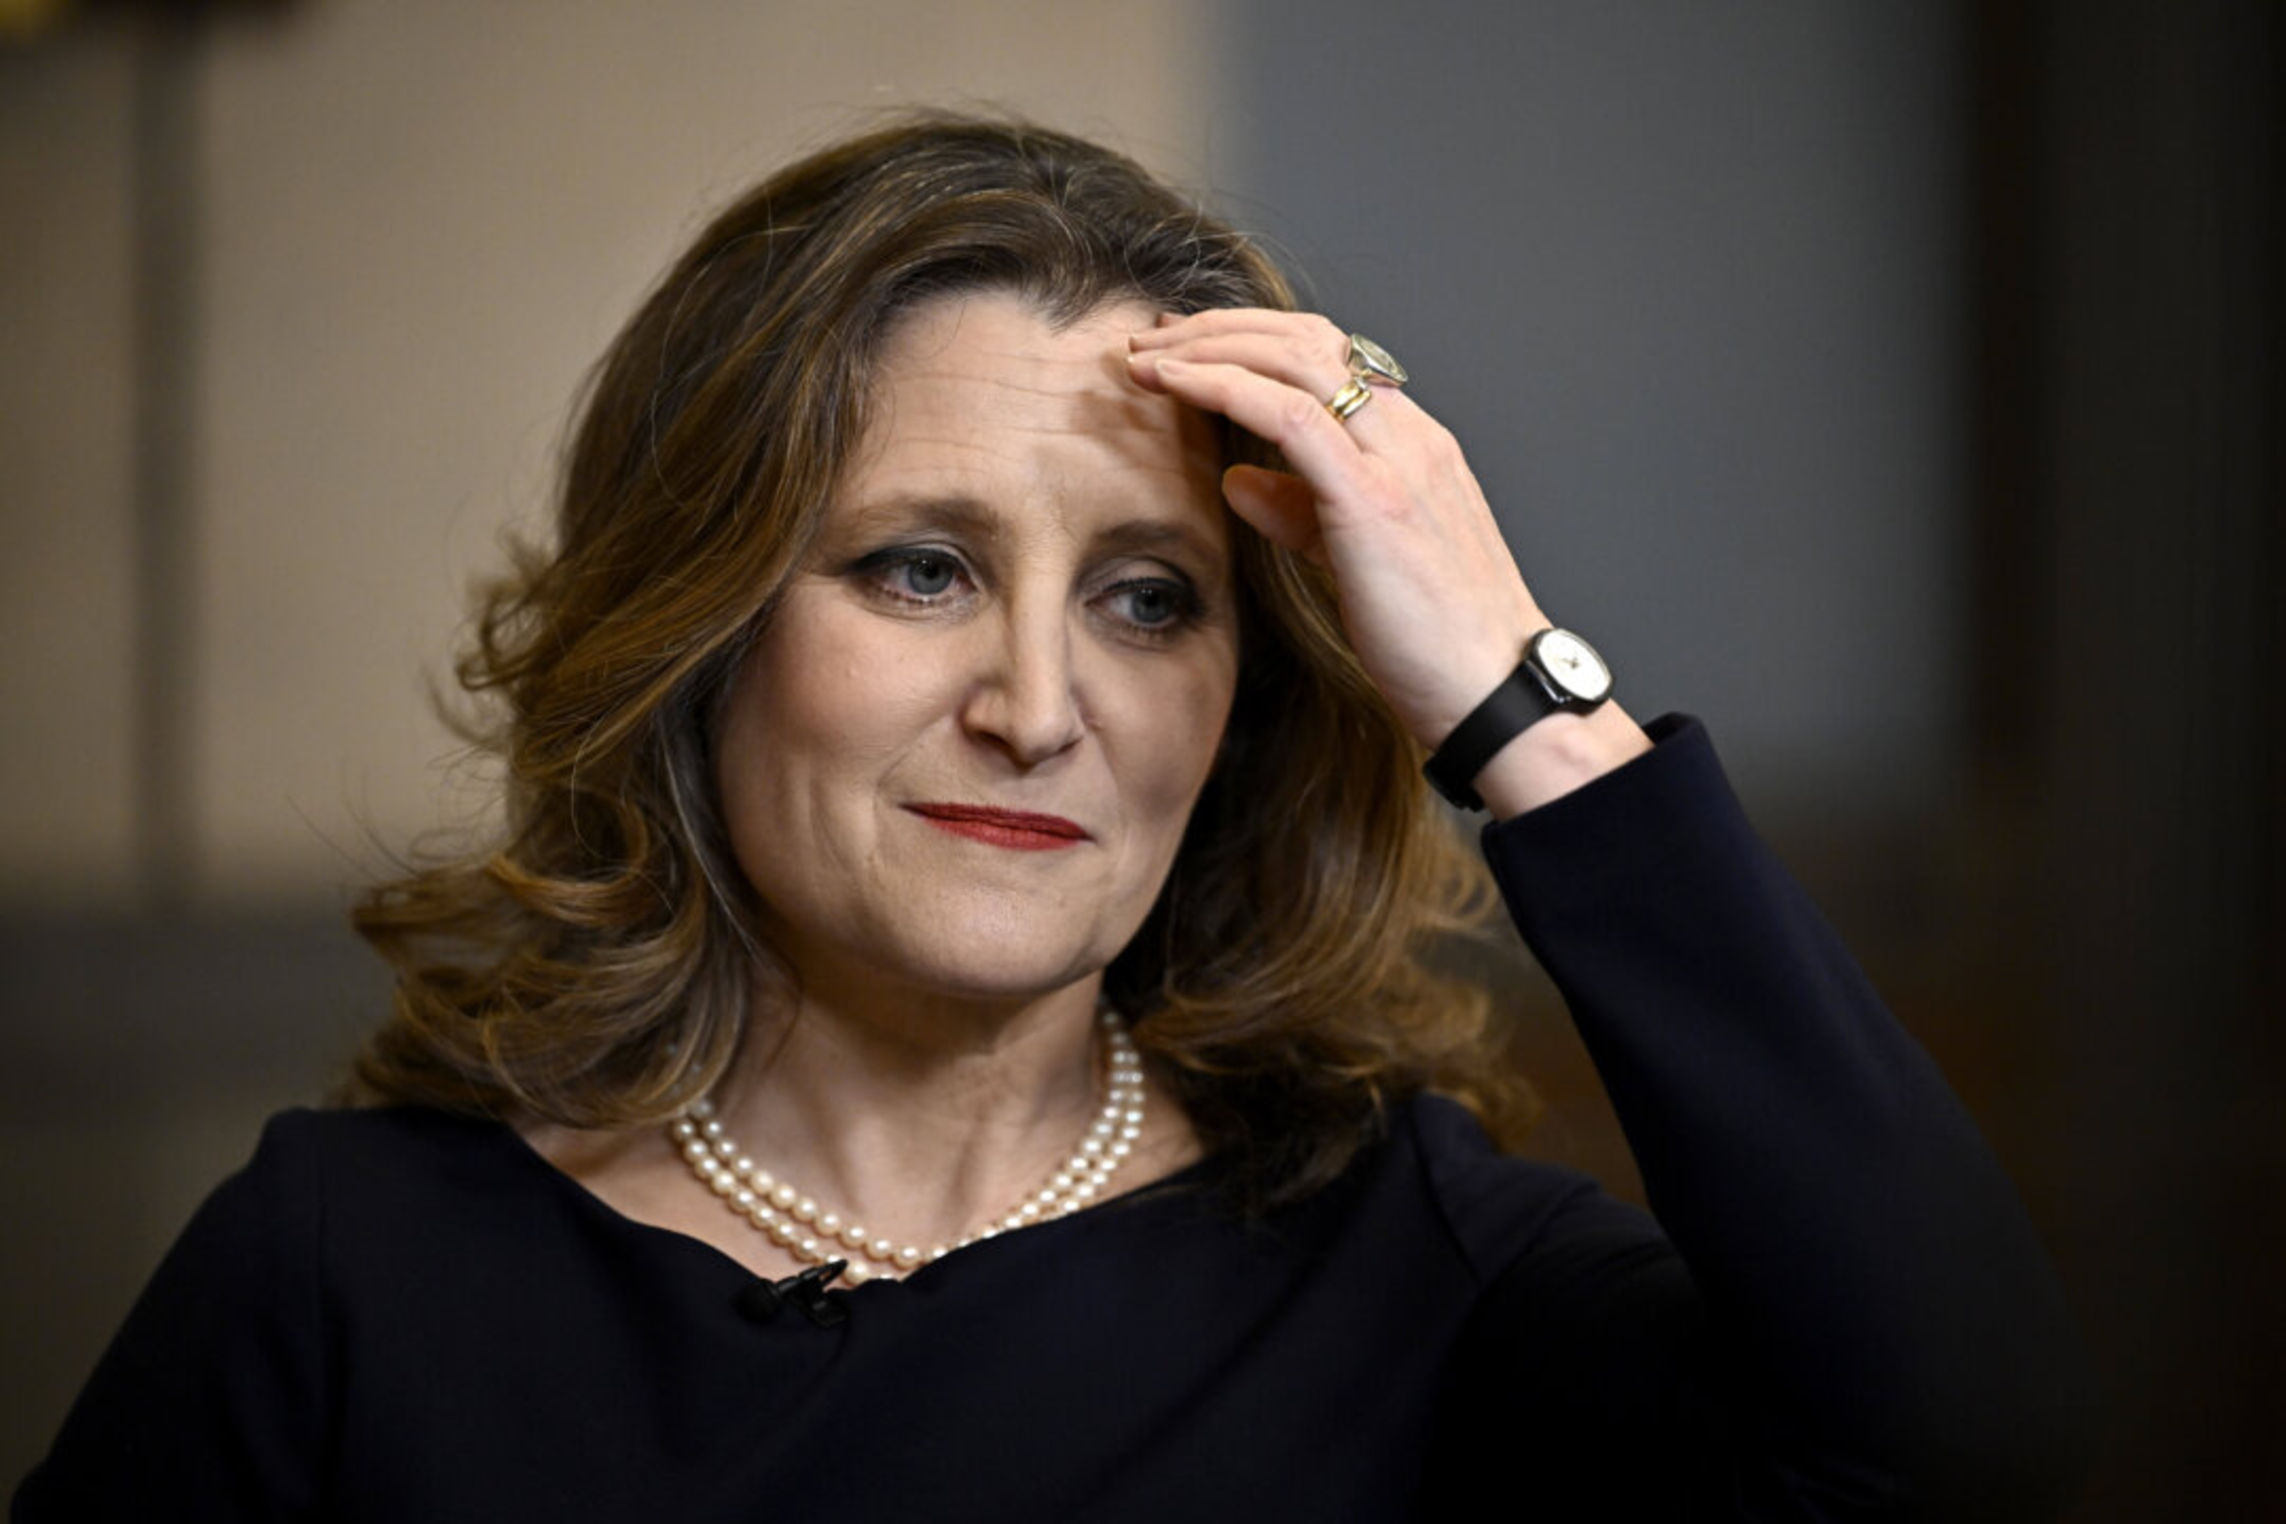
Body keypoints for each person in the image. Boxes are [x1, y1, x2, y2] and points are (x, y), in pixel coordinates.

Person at [16, 115, 2094, 1520]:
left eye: (1148, 598)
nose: (1035, 709)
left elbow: (1982, 1442)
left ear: (1246, 693)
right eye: (918, 569)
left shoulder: (1421, 1274)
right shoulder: (342, 1274)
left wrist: (1514, 693)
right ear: (701, 635)